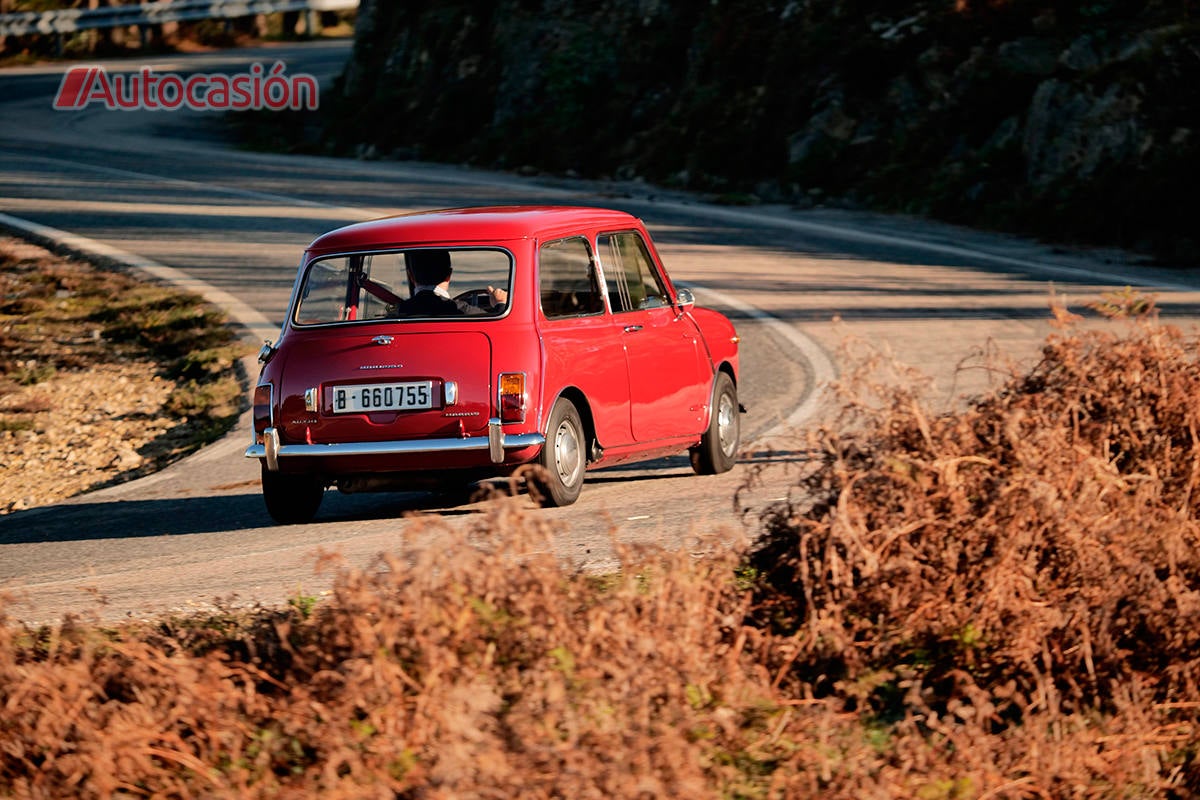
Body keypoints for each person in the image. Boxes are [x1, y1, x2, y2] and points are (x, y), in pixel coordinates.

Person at [388, 249, 507, 317]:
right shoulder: (464, 312)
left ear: (410, 276)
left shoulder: (397, 313)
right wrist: (500, 305)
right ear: (449, 275)